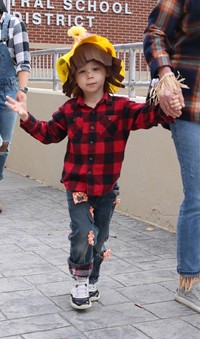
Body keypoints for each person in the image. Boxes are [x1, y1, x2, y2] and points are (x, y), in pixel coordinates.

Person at [5, 26, 181, 310]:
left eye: (96, 68)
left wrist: (167, 102)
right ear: (74, 77)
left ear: (106, 72)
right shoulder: (68, 111)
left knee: (98, 239)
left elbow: (149, 116)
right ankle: (79, 281)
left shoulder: (121, 108)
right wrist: (26, 118)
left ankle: (91, 281)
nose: (89, 75)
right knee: (81, 233)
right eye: (82, 70)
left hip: (107, 190)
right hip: (76, 188)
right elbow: (48, 134)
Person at [143, 0, 200, 312]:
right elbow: (155, 32)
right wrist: (164, 75)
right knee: (197, 195)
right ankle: (189, 282)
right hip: (190, 104)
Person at [0, 0, 30, 213]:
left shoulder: (13, 25)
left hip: (8, 91)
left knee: (3, 144)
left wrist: (23, 89)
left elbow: (23, 61)